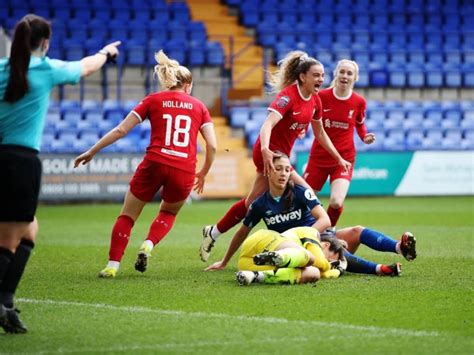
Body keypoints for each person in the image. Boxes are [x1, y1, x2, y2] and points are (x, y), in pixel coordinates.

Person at [0, 14, 120, 334]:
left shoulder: (1, 70)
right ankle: (2, 303)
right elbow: (87, 66)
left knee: (29, 231)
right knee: (10, 240)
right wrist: (107, 53)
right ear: (46, 43)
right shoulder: (46, 69)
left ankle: (6, 303)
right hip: (20, 161)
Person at [74, 50, 217, 279]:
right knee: (169, 212)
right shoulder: (199, 107)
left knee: (127, 216)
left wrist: (92, 151)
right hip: (184, 167)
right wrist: (203, 173)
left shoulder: (153, 99)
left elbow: (121, 130)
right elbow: (212, 146)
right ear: (188, 84)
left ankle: (112, 265)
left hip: (155, 162)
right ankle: (148, 244)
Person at [200, 51, 351, 261]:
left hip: (282, 157)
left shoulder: (315, 101)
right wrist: (265, 152)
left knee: (251, 204)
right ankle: (319, 236)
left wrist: (338, 158)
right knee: (307, 192)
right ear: (302, 77)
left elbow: (320, 133)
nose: (321, 79)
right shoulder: (288, 96)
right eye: (316, 75)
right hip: (270, 154)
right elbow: (267, 125)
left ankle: (213, 232)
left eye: (322, 75)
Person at [205, 154, 409, 277]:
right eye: (279, 169)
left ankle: (399, 248)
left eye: (287, 169)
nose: (284, 173)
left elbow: (325, 219)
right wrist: (224, 261)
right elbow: (242, 233)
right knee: (335, 252)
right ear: (269, 172)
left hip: (318, 235)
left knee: (357, 231)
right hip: (293, 246)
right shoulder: (260, 204)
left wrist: (310, 235)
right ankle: (380, 269)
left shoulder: (300, 192)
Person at [304, 59, 375, 228]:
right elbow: (308, 117)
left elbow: (359, 123)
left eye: (349, 73)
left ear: (355, 78)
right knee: (305, 200)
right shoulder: (321, 96)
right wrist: (301, 128)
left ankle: (327, 231)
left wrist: (364, 136)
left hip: (344, 158)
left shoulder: (359, 102)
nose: (345, 75)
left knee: (336, 201)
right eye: (342, 72)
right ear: (336, 73)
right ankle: (302, 232)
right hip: (319, 156)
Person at [235, 227, 346, 286]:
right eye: (329, 258)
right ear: (326, 245)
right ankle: (279, 257)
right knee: (311, 258)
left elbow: (322, 274)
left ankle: (254, 276)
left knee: (313, 273)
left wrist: (338, 271)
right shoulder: (312, 232)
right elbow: (319, 261)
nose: (328, 261)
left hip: (247, 261)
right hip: (264, 239)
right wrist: (332, 268)